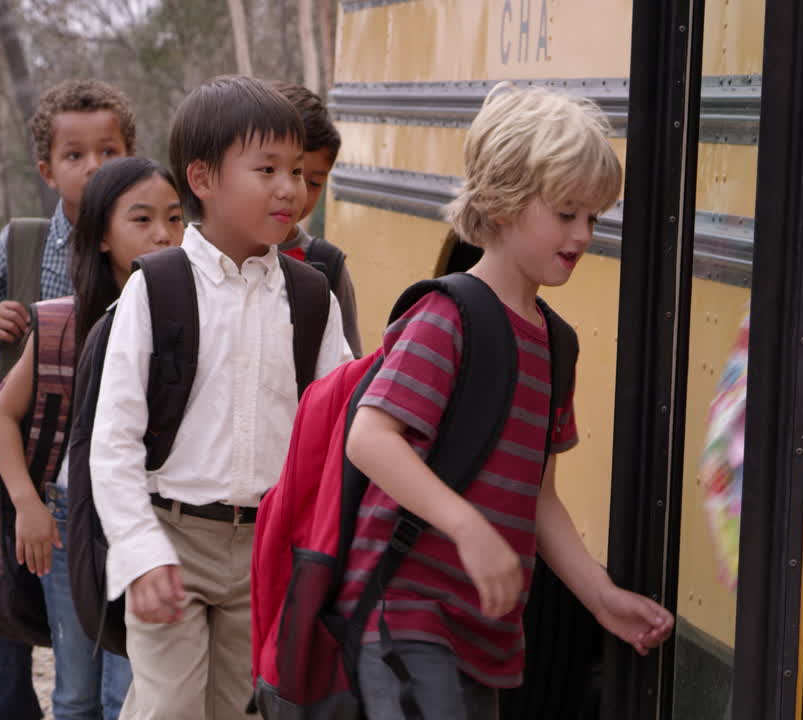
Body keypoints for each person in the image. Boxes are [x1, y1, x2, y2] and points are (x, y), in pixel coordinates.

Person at [336, 83, 674, 720]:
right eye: (567, 212)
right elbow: (370, 438)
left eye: (594, 217)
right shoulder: (448, 316)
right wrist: (468, 527)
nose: (584, 233)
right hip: (406, 617)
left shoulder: (557, 346)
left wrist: (600, 599)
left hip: (484, 632)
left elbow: (538, 497)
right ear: (502, 201)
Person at [88, 76, 352, 719]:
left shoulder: (312, 296)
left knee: (240, 709)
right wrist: (140, 552)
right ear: (202, 179)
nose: (290, 188)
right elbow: (114, 439)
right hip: (172, 536)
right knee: (170, 707)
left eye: (296, 170)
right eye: (266, 169)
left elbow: (341, 423)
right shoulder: (159, 288)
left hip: (268, 545)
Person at [0, 78, 137, 720]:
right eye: (75, 156)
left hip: (101, 459)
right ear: (47, 171)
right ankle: (8, 709)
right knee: (6, 598)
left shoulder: (149, 243)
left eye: (109, 152)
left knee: (88, 629)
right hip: (24, 452)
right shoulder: (28, 239)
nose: (93, 169)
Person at [0, 157, 181, 720]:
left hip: (152, 522)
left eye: (174, 218)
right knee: (75, 694)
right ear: (100, 236)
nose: (164, 234)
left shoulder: (188, 320)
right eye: (142, 219)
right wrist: (28, 503)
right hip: (71, 522)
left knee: (129, 692)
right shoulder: (61, 323)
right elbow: (1, 417)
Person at [270, 80, 362, 356]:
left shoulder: (325, 267)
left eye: (313, 182)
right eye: (271, 170)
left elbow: (347, 373)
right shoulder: (205, 262)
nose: (294, 192)